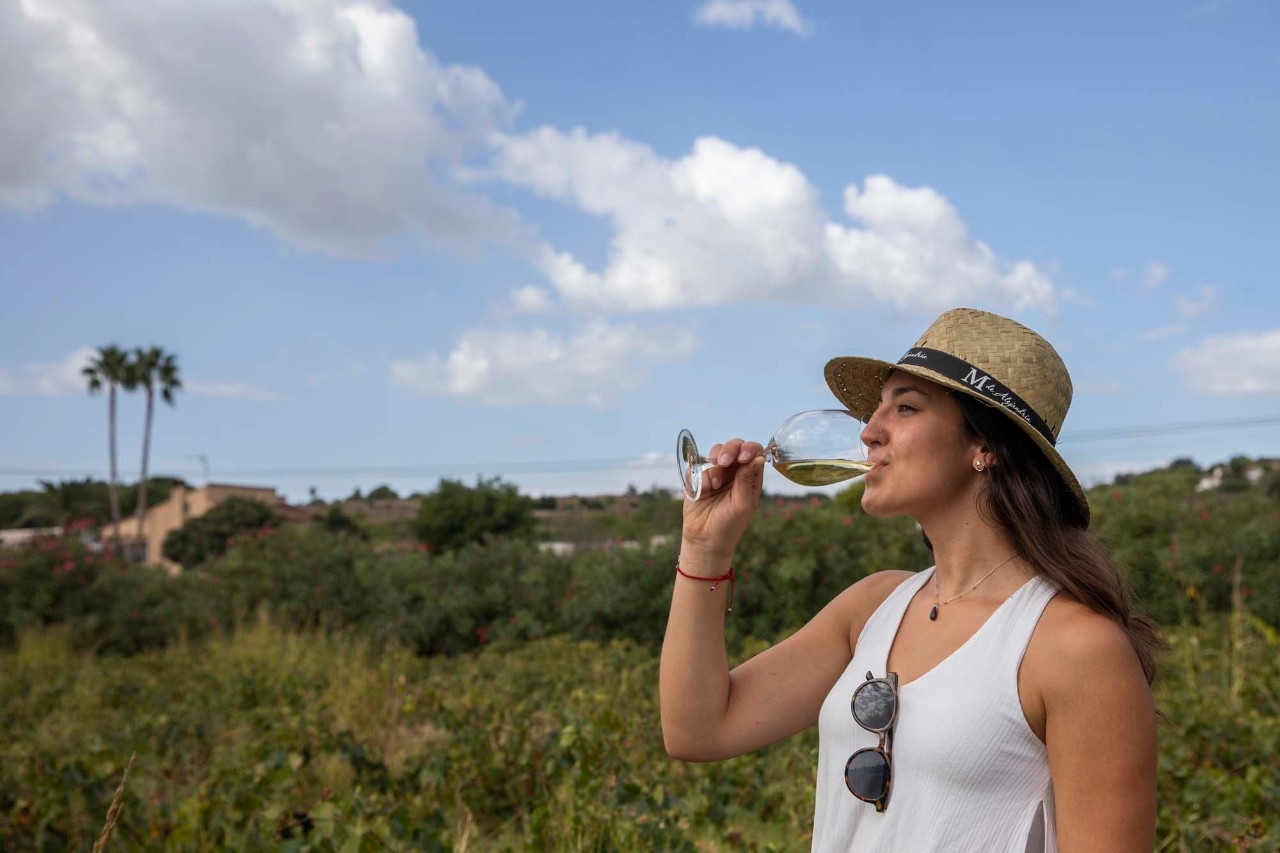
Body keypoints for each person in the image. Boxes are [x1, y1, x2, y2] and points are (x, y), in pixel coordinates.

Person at [660, 307, 1159, 852]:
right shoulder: (873, 606)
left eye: (905, 408)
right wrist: (705, 548)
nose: (869, 432)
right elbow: (697, 730)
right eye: (876, 411)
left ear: (984, 446)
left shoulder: (1074, 647)